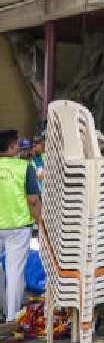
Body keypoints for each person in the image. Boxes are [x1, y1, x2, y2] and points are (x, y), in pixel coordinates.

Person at [0, 129, 42, 322]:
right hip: (18, 227)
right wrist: (41, 222)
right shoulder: (24, 168)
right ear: (10, 147)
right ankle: (11, 316)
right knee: (15, 271)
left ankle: (2, 309)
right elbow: (33, 200)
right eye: (16, 144)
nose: (18, 147)